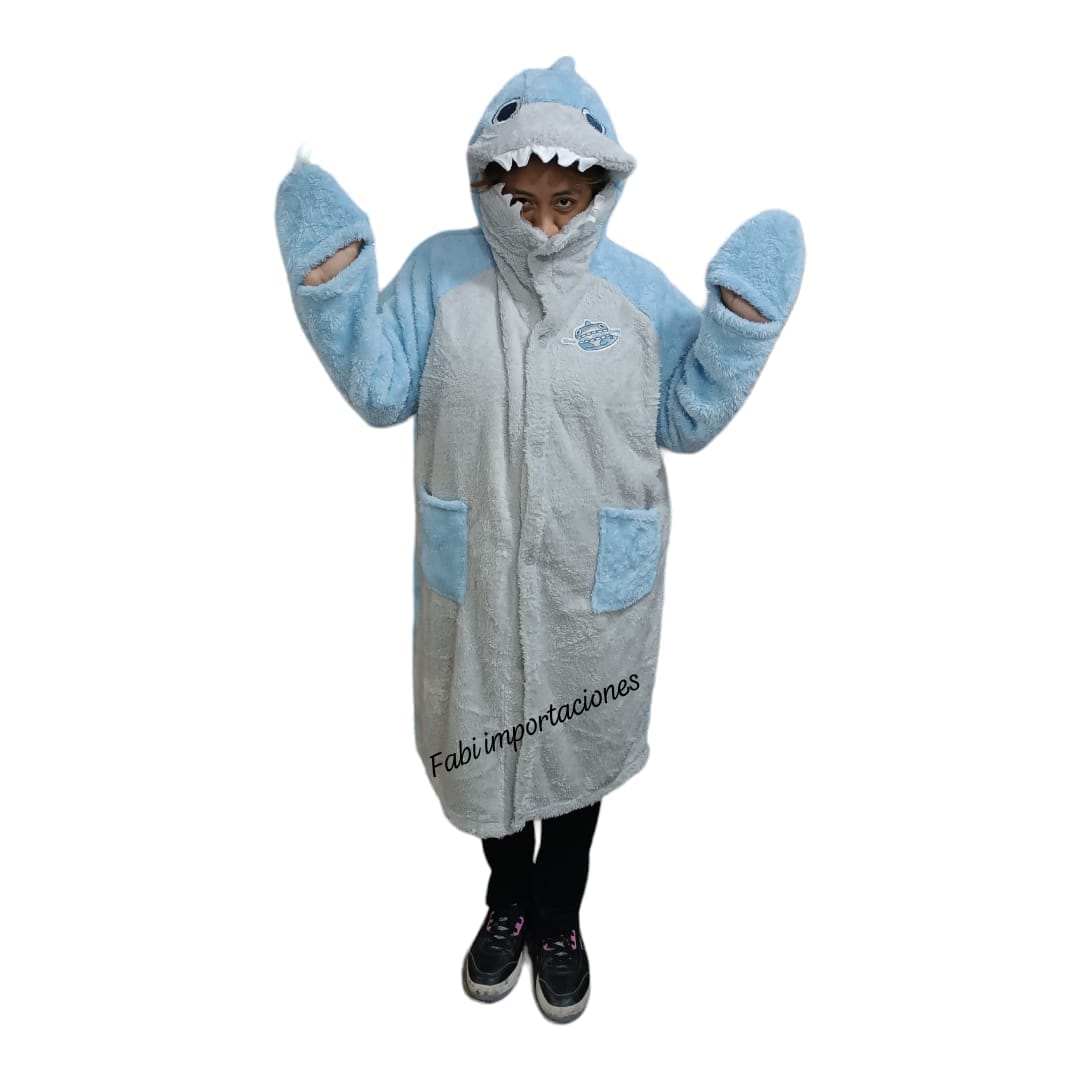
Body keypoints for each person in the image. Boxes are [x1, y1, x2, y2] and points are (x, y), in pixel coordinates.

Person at [274, 56, 805, 1024]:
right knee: (483, 744)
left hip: (590, 590)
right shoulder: (442, 276)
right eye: (521, 199)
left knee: (577, 750)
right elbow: (383, 388)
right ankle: (506, 900)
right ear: (486, 184)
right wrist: (337, 289)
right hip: (474, 577)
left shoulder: (632, 292)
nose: (546, 223)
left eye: (567, 200)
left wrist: (737, 329)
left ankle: (559, 916)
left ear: (602, 191)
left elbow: (684, 415)